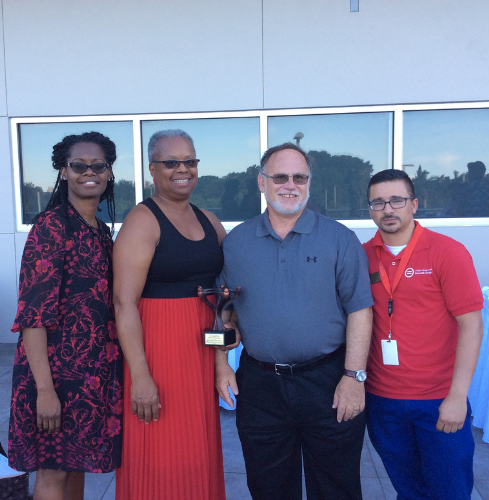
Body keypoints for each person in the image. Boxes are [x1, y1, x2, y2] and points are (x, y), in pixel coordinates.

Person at [216, 143, 373, 500]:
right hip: (260, 387)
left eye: (299, 177)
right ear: (262, 182)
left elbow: (360, 310)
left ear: (309, 183)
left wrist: (353, 377)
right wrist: (221, 364)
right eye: (280, 177)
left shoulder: (340, 239)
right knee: (269, 487)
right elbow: (223, 313)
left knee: (337, 487)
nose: (290, 185)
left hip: (328, 380)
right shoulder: (236, 242)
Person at [113, 129, 228, 500]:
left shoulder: (209, 220)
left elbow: (229, 287)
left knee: (198, 448)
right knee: (162, 453)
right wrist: (141, 378)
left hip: (200, 353)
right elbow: (123, 303)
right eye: (171, 162)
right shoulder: (142, 220)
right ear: (153, 169)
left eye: (190, 161)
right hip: (158, 353)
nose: (183, 169)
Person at [8, 132, 123, 500]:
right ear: (63, 171)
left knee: (77, 469)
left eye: (98, 166)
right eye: (78, 165)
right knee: (53, 472)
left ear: (108, 173)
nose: (88, 173)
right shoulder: (52, 227)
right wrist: (44, 391)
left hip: (89, 375)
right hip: (53, 376)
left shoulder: (100, 232)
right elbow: (33, 316)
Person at [363, 169, 484, 500]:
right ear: (370, 209)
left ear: (414, 204)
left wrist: (458, 396)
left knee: (450, 491)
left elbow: (471, 325)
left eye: (397, 200)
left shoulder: (447, 252)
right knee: (408, 490)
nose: (388, 209)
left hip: (438, 400)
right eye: (378, 202)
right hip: (383, 400)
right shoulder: (362, 255)